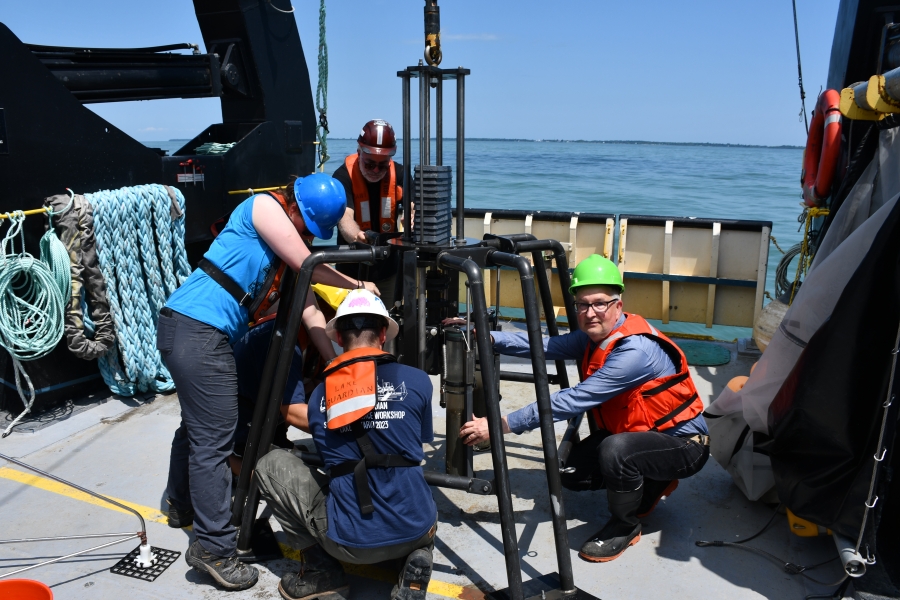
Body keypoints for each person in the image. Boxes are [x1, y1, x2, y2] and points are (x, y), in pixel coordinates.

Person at [157, 173, 380, 591]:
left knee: (198, 428)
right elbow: (307, 263)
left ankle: (179, 503)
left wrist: (336, 363)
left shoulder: (287, 248)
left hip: (197, 332)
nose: (305, 235)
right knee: (216, 441)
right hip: (196, 331)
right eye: (307, 227)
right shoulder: (262, 208)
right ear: (294, 206)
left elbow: (311, 312)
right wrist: (358, 286)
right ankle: (214, 549)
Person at [457, 254, 709, 563]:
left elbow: (571, 400)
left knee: (616, 451)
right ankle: (652, 479)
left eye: (600, 303)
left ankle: (625, 526)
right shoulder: (596, 336)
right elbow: (546, 345)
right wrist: (488, 336)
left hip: (684, 446)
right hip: (644, 436)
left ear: (618, 304)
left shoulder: (634, 353)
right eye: (582, 305)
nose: (591, 313)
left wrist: (498, 425)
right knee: (572, 473)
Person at [255, 289, 437, 600]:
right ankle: (416, 557)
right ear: (383, 334)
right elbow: (413, 442)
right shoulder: (419, 381)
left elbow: (329, 452)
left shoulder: (319, 396)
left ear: (338, 337)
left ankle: (321, 571)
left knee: (270, 465)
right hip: (418, 529)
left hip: (350, 546)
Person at [332, 119, 406, 309]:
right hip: (350, 273)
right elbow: (344, 217)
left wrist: (413, 218)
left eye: (382, 166)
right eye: (370, 163)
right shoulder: (342, 177)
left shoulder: (401, 174)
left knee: (387, 323)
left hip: (389, 271)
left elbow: (413, 207)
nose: (375, 170)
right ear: (359, 151)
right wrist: (356, 235)